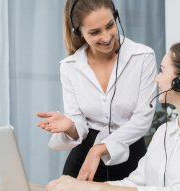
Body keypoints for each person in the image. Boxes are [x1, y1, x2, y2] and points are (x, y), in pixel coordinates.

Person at [45, 41, 180, 191]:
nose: (156, 79)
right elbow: (133, 183)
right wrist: (80, 186)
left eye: (162, 70)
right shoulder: (164, 132)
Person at [36, 0, 157, 182]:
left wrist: (98, 149)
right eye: (94, 32)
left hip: (131, 157)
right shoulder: (69, 67)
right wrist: (70, 126)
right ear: (79, 32)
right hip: (83, 160)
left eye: (110, 26)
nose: (107, 37)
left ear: (116, 17)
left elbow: (143, 119)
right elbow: (79, 123)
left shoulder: (143, 57)